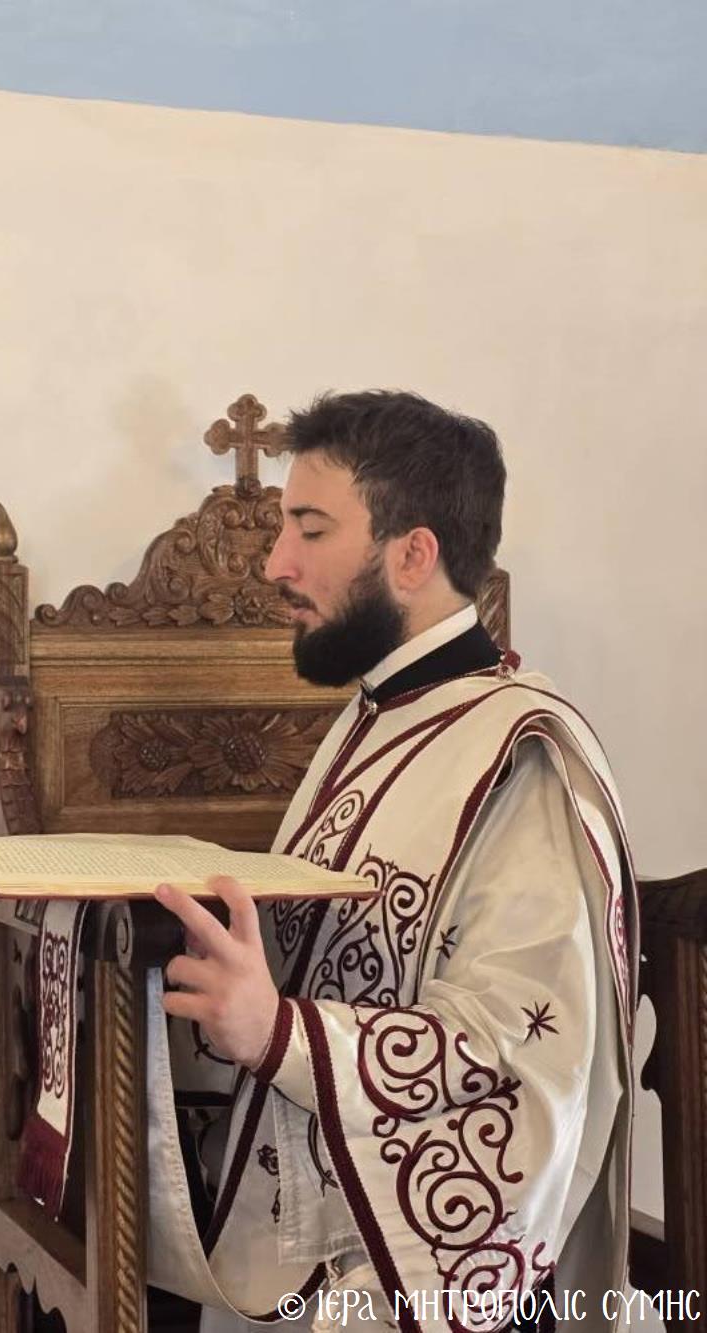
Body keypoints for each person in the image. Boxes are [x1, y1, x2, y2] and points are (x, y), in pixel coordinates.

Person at [145, 390, 636, 1333]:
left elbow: (514, 1054)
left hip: (412, 1274)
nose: (275, 562)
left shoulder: (522, 756)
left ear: (413, 556)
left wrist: (278, 1033)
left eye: (310, 529)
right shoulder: (377, 717)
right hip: (309, 1225)